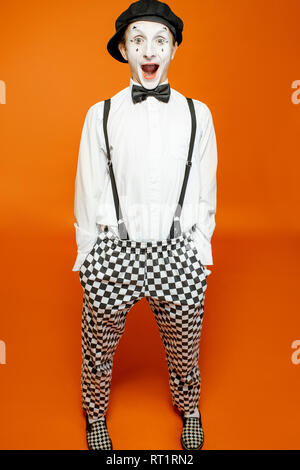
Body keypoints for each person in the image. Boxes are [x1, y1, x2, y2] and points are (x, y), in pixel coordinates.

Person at [72, 0, 218, 451]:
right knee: (97, 347)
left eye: (159, 40)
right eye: (137, 40)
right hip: (114, 252)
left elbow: (205, 191)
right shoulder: (100, 115)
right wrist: (89, 254)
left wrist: (199, 251)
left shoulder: (199, 115)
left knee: (185, 346)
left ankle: (189, 406)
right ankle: (95, 415)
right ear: (123, 49)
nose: (148, 50)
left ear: (173, 48)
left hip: (177, 252)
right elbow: (87, 189)